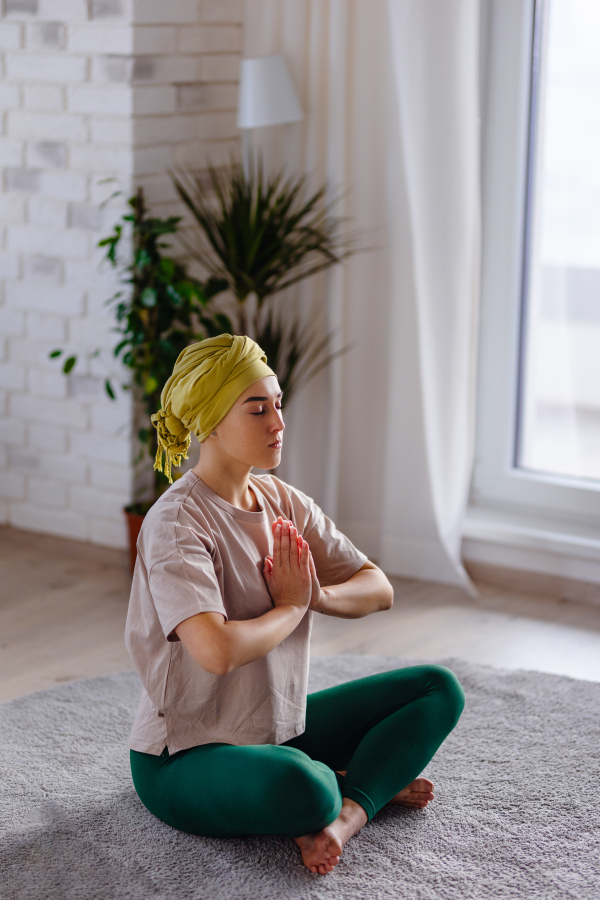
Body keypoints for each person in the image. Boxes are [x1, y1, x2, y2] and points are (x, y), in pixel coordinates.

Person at [125, 334, 466, 876]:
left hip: (277, 726)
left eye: (278, 405)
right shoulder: (176, 522)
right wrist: (290, 607)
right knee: (304, 783)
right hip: (183, 756)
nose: (277, 423)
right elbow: (214, 650)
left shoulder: (281, 500)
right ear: (210, 422)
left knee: (436, 688)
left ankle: (347, 814)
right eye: (258, 409)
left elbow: (378, 587)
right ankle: (355, 784)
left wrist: (318, 595)